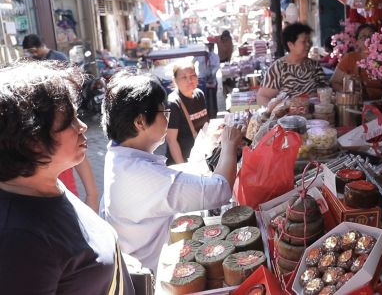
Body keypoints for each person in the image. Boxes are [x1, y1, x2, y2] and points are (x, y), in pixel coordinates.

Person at [0, 60, 135, 294]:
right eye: (69, 120)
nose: (82, 126)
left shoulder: (48, 186)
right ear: (32, 140)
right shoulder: (19, 240)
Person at [102, 69, 243, 272]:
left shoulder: (118, 156)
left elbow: (167, 179)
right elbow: (220, 191)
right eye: (164, 112)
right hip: (159, 274)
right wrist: (229, 144)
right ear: (140, 121)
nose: (167, 119)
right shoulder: (139, 175)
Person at [24, 34, 100, 212]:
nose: (83, 127)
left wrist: (92, 196)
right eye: (69, 120)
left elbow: (82, 162)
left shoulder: (57, 59)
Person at [257, 22, 329, 106]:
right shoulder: (279, 68)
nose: (308, 44)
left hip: (314, 117)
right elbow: (263, 96)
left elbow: (325, 91)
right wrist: (272, 113)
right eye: (304, 41)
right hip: (288, 117)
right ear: (290, 45)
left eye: (309, 41)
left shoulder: (314, 65)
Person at [330, 24, 382, 100]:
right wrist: (349, 94)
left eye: (371, 36)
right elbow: (334, 82)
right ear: (357, 42)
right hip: (356, 103)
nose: (367, 39)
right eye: (363, 37)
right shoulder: (350, 58)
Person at [165, 62, 209, 165]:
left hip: (200, 157)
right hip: (184, 161)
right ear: (175, 80)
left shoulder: (199, 94)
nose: (190, 80)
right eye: (184, 77)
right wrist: (183, 168)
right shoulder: (173, 103)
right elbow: (171, 141)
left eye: (193, 75)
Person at [194, 50, 220, 118]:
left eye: (211, 45)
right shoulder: (199, 54)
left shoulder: (215, 56)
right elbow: (192, 62)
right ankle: (205, 115)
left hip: (212, 79)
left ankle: (214, 114)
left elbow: (217, 66)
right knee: (204, 98)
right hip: (202, 79)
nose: (209, 47)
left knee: (213, 98)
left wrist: (212, 73)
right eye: (208, 45)